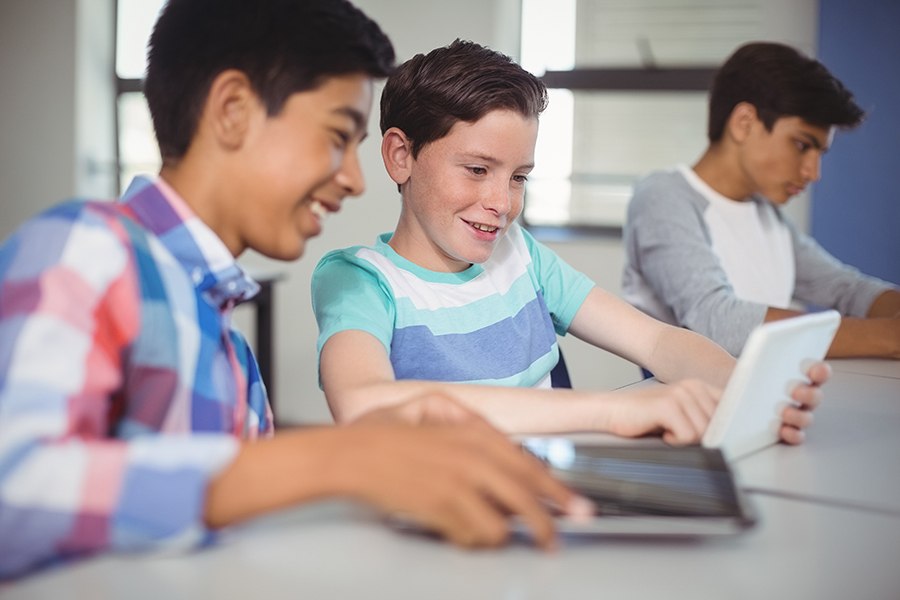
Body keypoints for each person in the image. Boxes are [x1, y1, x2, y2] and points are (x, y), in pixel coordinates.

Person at [0, 1, 594, 580]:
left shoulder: (230, 352)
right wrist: (332, 458)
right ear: (232, 110)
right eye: (337, 136)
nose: (355, 181)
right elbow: (12, 488)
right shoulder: (85, 246)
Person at [311, 40, 829, 441]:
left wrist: (750, 392)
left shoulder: (522, 258)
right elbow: (365, 405)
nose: (503, 202)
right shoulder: (359, 282)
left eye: (518, 177)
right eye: (476, 169)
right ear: (401, 155)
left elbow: (655, 341)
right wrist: (612, 410)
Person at [622, 41, 900, 359]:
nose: (813, 172)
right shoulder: (663, 197)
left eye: (820, 153)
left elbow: (847, 289)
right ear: (744, 123)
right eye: (801, 145)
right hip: (694, 403)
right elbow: (718, 323)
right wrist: (886, 337)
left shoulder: (766, 214)